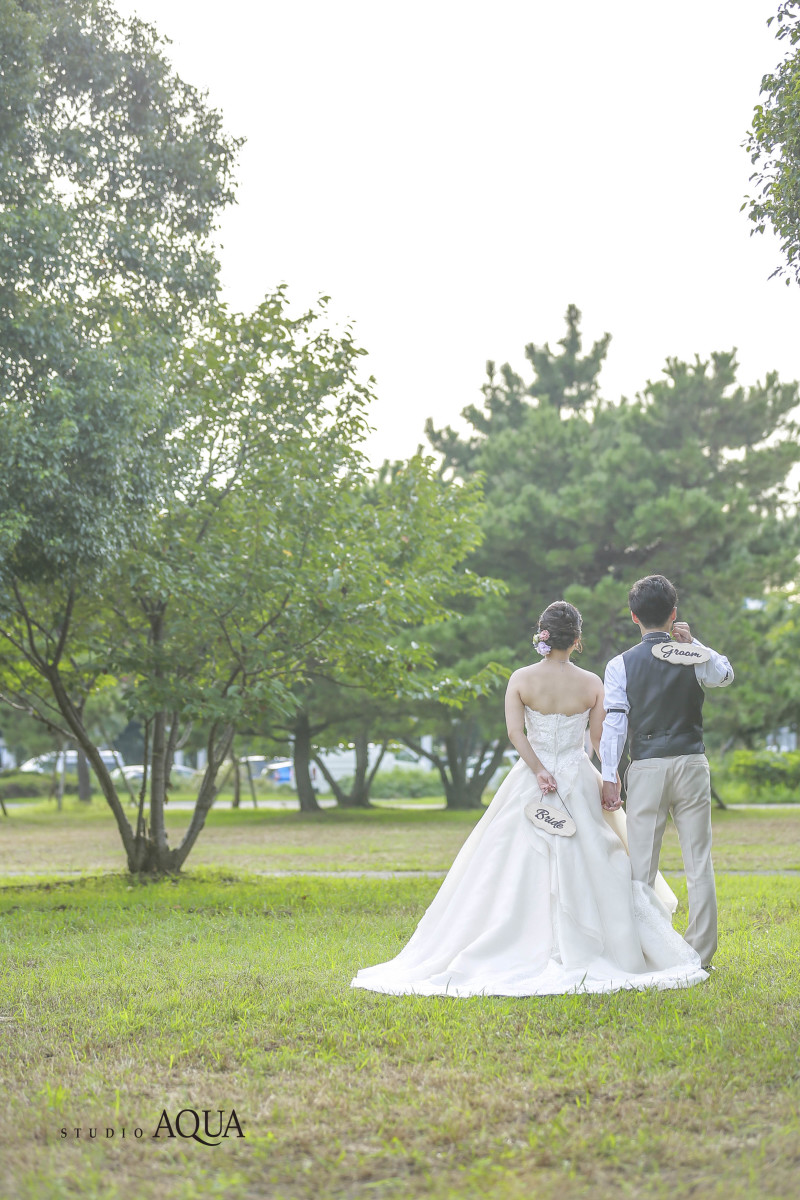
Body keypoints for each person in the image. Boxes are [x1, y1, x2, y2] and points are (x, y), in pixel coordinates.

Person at [351, 600, 706, 997]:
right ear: (576, 640)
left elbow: (515, 734)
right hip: (575, 776)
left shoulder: (520, 678)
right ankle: (609, 945)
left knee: (503, 858)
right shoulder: (591, 683)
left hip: (532, 778)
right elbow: (597, 739)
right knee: (598, 854)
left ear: (543, 636)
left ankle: (515, 936)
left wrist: (539, 769)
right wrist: (599, 775)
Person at [600, 575, 733, 971]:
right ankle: (700, 955)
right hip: (692, 762)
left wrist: (610, 773)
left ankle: (648, 951)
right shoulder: (692, 655)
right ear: (674, 614)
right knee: (699, 861)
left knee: (641, 865)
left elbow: (615, 724)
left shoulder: (619, 664)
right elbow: (724, 674)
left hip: (647, 766)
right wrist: (694, 645)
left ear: (633, 617)